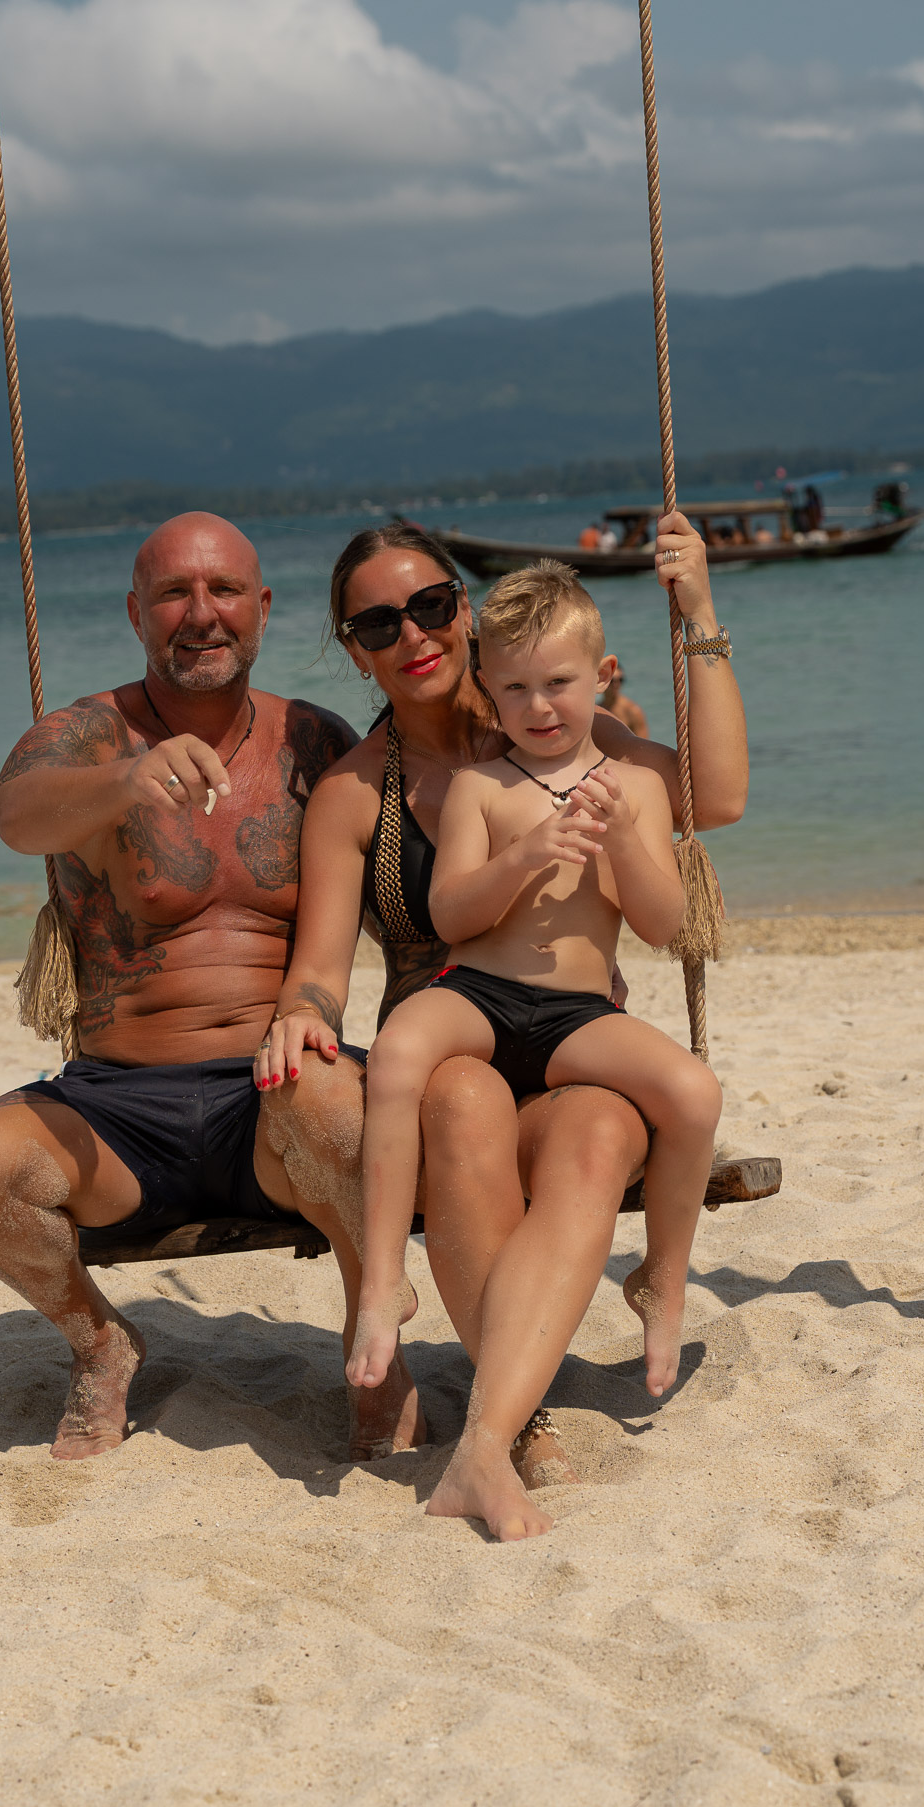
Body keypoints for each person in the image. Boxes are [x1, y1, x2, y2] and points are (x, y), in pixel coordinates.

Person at [256, 513, 748, 1537]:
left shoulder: (557, 719)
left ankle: (489, 1433)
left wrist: (696, 613)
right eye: (379, 623)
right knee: (467, 1101)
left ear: (464, 610)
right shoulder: (357, 793)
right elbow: (319, 973)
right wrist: (296, 1018)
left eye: (430, 606)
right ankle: (516, 1426)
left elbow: (714, 797)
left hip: (570, 1036)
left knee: (605, 1129)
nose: (413, 634)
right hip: (456, 1045)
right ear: (354, 647)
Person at [0, 511, 423, 1462]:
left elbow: (420, 869)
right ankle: (101, 1344)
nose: (202, 615)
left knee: (341, 1097)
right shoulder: (85, 734)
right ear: (135, 612)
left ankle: (381, 1358)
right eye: (174, 594)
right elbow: (15, 814)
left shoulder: (316, 744)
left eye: (225, 591)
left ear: (264, 608)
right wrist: (125, 780)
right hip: (120, 1107)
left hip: (276, 1104)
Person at [346, 561, 721, 1418]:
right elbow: (450, 914)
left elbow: (664, 925)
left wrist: (625, 840)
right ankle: (382, 1284)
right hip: (480, 990)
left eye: (558, 684)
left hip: (578, 1015)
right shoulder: (483, 787)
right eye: (513, 688)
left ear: (603, 677)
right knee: (398, 1055)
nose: (539, 706)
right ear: (486, 685)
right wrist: (527, 854)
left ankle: (662, 1281)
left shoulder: (637, 786)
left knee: (695, 1094)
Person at [598, 658, 648, 737]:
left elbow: (644, 746)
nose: (616, 685)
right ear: (602, 680)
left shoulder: (633, 711)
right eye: (612, 680)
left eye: (620, 680)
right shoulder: (596, 711)